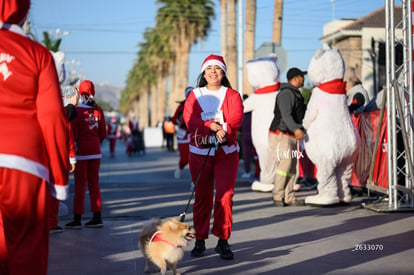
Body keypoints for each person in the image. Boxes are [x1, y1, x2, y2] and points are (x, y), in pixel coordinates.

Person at [0, 1, 70, 274]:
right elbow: (52, 118)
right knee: (26, 246)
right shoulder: (38, 54)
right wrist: (60, 180)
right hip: (24, 162)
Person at [183, 54, 243, 260]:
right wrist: (210, 125)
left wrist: (223, 128)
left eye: (217, 68)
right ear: (203, 72)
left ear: (223, 72)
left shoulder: (232, 95)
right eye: (209, 68)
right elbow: (190, 121)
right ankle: (200, 239)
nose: (213, 72)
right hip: (200, 154)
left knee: (225, 196)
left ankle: (223, 240)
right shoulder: (195, 95)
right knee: (202, 197)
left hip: (226, 154)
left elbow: (236, 118)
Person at [65, 80, 107, 229]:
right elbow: (103, 133)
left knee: (80, 186)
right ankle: (97, 217)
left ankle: (77, 219)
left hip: (81, 153)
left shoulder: (77, 112)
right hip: (96, 153)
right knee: (94, 184)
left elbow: (72, 134)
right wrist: (95, 143)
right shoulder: (98, 110)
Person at [268, 67, 307, 207]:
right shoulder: (286, 93)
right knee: (284, 165)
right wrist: (296, 129)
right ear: (295, 78)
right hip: (281, 134)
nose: (304, 79)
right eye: (302, 76)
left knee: (292, 168)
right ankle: (278, 196)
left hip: (289, 135)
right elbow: (286, 115)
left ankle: (289, 197)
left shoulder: (295, 93)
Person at [172, 86, 193, 179]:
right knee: (185, 159)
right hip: (183, 135)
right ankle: (180, 168)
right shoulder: (181, 106)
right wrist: (180, 120)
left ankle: (195, 181)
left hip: (196, 134)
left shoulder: (200, 105)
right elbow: (174, 120)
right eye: (188, 94)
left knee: (195, 159)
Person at [239, 94, 260, 180]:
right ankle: (257, 172)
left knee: (246, 155)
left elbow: (239, 125)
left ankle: (247, 171)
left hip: (245, 135)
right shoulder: (254, 112)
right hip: (254, 135)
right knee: (257, 155)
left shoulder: (242, 113)